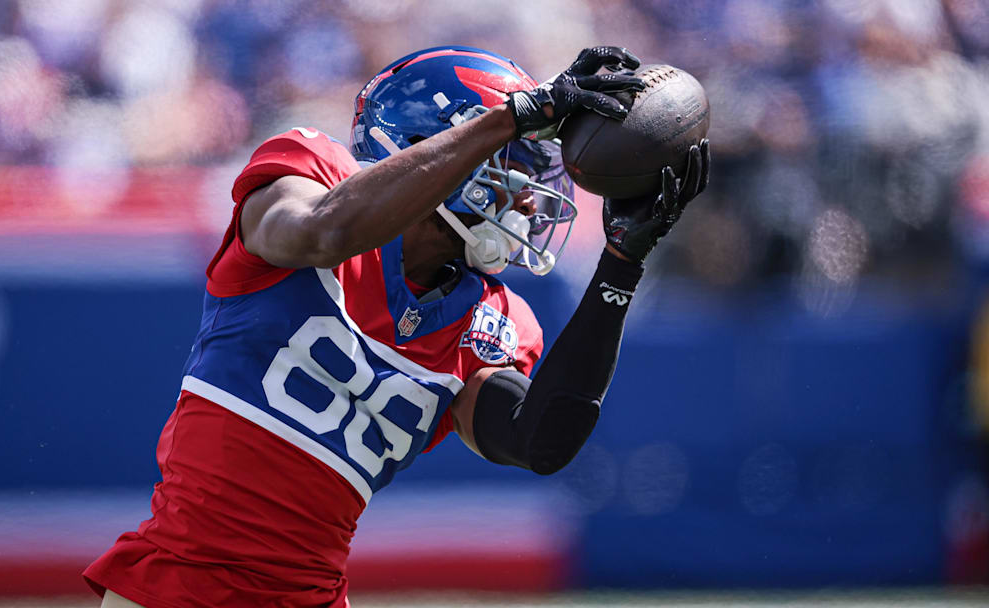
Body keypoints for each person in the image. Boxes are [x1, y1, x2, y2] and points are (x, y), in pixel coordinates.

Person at [83, 45, 709, 608]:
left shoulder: (494, 317)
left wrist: (622, 265)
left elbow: (536, 440)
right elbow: (322, 231)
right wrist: (508, 118)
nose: (525, 200)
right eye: (512, 168)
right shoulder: (309, 175)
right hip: (178, 589)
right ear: (439, 140)